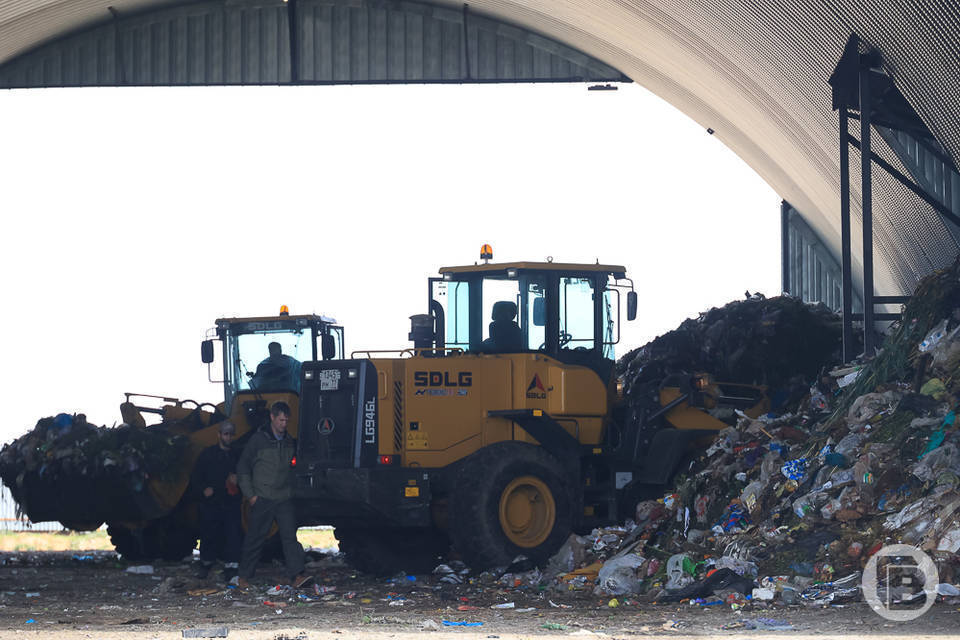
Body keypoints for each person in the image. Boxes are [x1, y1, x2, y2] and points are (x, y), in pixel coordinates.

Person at [234, 402, 312, 589]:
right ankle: (244, 576)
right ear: (272, 417)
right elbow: (243, 467)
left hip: (283, 497)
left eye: (286, 420)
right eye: (281, 420)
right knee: (255, 537)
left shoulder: (289, 441)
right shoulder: (258, 440)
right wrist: (251, 495)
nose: (284, 424)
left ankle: (297, 576)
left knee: (289, 537)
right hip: (262, 497)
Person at [191, 420, 243, 581]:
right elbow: (195, 477)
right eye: (226, 434)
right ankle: (206, 564)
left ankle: (231, 567)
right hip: (212, 502)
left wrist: (238, 480)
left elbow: (247, 474)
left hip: (231, 501)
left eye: (231, 434)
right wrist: (203, 490)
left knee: (233, 534)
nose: (229, 437)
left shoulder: (237, 454)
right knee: (208, 534)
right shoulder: (207, 455)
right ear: (219, 435)